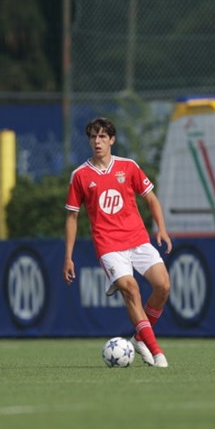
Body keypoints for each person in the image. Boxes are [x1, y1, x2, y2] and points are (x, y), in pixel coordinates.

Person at [64, 116, 173, 368]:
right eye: (93, 136)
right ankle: (156, 352)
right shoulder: (80, 175)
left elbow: (152, 199)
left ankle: (139, 337)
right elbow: (72, 216)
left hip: (138, 239)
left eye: (102, 136)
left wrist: (162, 230)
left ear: (112, 140)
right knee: (130, 289)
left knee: (163, 286)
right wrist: (68, 257)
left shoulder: (129, 167)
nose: (97, 141)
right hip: (109, 245)